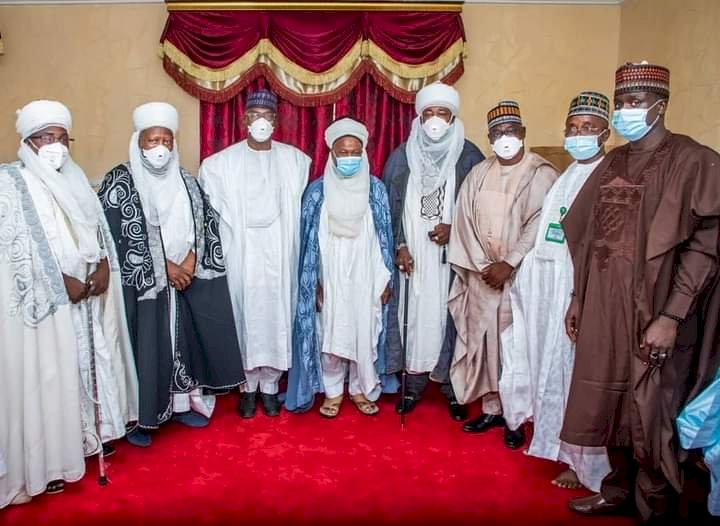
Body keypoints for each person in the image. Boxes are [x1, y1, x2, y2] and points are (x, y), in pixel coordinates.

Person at [560, 62, 720, 523]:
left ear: (660, 106)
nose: (625, 112)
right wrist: (578, 298)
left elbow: (705, 248)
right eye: (622, 103)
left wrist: (671, 315)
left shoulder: (693, 160)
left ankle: (655, 504)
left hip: (658, 309)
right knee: (610, 400)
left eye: (635, 103)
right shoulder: (613, 161)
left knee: (652, 409)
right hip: (604, 307)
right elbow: (586, 237)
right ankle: (616, 488)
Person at [1, 100, 138, 507]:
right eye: (46, 138)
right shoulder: (10, 183)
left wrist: (103, 272)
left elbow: (99, 237)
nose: (56, 146)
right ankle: (49, 463)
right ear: (28, 142)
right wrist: (59, 281)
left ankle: (88, 438)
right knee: (49, 375)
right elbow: (12, 252)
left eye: (62, 138)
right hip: (47, 307)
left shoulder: (77, 179)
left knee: (88, 364)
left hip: (87, 299)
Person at [99, 102, 244, 447]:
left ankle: (182, 404)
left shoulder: (187, 180)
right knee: (148, 341)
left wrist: (192, 261)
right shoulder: (120, 180)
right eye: (152, 140)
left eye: (166, 139)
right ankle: (144, 417)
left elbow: (205, 225)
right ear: (139, 143)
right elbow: (118, 237)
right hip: (147, 285)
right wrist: (166, 267)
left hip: (185, 278)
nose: (160, 147)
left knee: (184, 339)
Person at [499, 92, 612, 491]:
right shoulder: (567, 175)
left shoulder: (607, 174)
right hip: (546, 290)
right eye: (573, 127)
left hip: (575, 293)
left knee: (574, 374)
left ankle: (588, 466)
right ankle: (561, 448)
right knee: (551, 370)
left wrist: (578, 297)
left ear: (605, 132)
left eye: (588, 128)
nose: (578, 135)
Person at [448, 100, 558, 448]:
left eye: (510, 131)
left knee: (515, 348)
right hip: (483, 277)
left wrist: (509, 263)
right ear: (490, 138)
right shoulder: (479, 172)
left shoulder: (542, 173)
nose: (504, 138)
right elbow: (463, 221)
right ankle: (493, 409)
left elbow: (541, 223)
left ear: (523, 133)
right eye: (497, 133)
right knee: (485, 346)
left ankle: (516, 417)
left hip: (520, 278)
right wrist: (484, 267)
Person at [199, 90, 310, 419]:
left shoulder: (294, 160)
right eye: (254, 115)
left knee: (276, 315)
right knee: (244, 316)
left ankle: (271, 387)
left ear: (276, 121)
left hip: (278, 251)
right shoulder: (221, 164)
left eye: (267, 115)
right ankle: (247, 388)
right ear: (244, 120)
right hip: (243, 255)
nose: (260, 121)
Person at [383, 82, 484, 421]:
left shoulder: (470, 156)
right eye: (430, 113)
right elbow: (389, 209)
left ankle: (453, 390)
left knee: (451, 319)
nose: (436, 120)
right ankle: (411, 386)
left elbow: (483, 212)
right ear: (419, 116)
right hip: (412, 258)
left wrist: (457, 231)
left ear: (454, 117)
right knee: (411, 318)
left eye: (443, 113)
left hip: (451, 260)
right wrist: (399, 245)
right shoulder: (402, 155)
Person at [285, 117, 395, 417]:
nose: (349, 157)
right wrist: (314, 281)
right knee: (331, 333)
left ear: (364, 152)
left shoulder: (376, 190)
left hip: (366, 275)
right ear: (332, 153)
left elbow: (384, 238)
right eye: (343, 151)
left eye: (355, 151)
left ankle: (361, 388)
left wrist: (386, 281)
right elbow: (308, 245)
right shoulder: (317, 192)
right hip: (330, 276)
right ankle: (333, 392)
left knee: (364, 329)